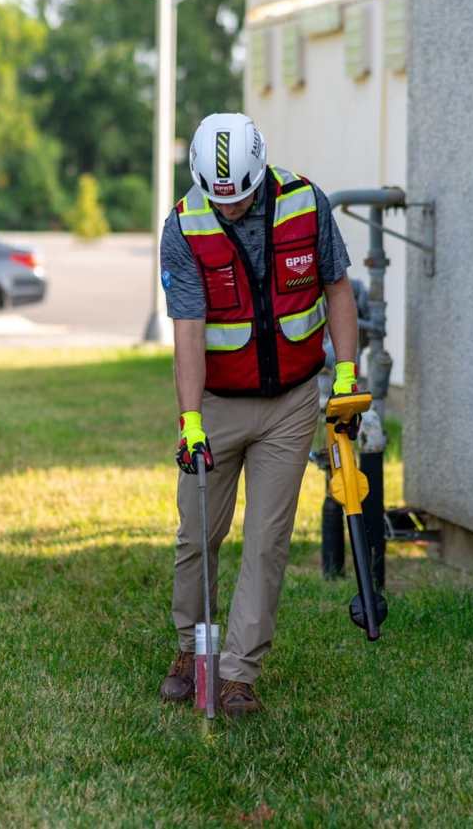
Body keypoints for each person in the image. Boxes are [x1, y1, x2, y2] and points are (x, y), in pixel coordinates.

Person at [158, 113, 359, 716]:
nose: (233, 210)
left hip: (291, 401)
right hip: (217, 402)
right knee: (199, 534)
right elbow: (188, 332)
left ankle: (238, 673)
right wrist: (190, 420)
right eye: (222, 200)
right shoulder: (186, 227)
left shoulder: (307, 203)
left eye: (242, 198)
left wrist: (344, 377)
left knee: (267, 540)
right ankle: (191, 650)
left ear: (261, 173)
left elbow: (338, 289)